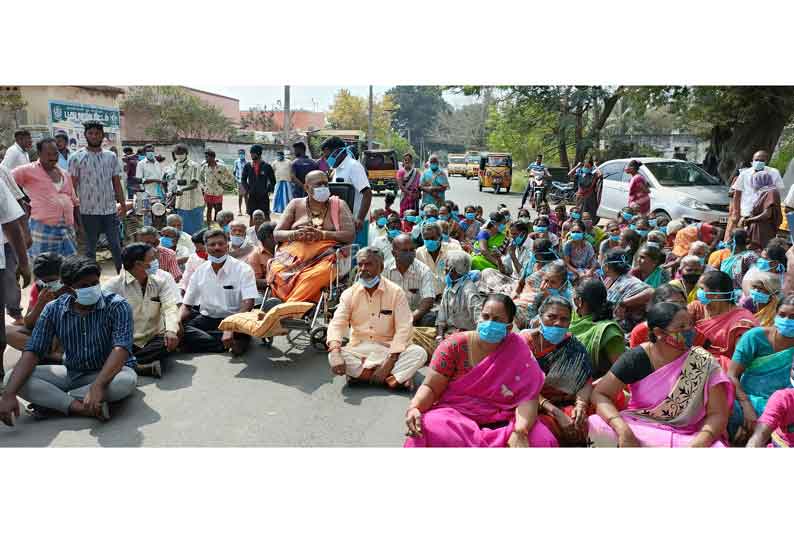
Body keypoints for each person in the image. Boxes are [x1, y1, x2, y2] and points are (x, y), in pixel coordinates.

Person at [404, 293, 558, 448]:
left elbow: (528, 398)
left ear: (509, 327)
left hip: (503, 419)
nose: (489, 323)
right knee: (427, 427)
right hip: (456, 416)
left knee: (543, 440)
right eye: (486, 316)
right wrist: (415, 407)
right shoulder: (453, 346)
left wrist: (520, 431)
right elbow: (431, 387)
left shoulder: (518, 350)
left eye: (497, 320)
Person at [0, 256, 138, 422]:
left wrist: (98, 385)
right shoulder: (53, 308)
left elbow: (121, 348)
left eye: (94, 283)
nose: (92, 288)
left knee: (125, 381)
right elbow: (33, 351)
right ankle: (80, 407)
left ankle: (56, 401)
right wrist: (8, 395)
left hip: (109, 372)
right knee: (10, 379)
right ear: (68, 288)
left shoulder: (117, 305)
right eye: (83, 286)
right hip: (71, 371)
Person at [589, 302, 733, 447]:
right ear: (659, 333)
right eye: (681, 327)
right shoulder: (637, 358)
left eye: (690, 324)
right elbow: (600, 394)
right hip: (641, 427)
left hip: (686, 435)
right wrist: (622, 429)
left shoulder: (702, 361)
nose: (690, 330)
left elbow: (718, 414)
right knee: (596, 424)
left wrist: (699, 443)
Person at [327, 247, 427, 389]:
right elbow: (337, 323)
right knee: (334, 356)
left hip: (389, 348)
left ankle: (363, 376)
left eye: (368, 264)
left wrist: (390, 361)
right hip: (360, 348)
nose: (362, 269)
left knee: (418, 353)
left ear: (381, 267)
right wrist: (335, 350)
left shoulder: (396, 292)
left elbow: (404, 328)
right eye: (360, 264)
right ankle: (394, 378)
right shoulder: (349, 293)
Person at [269, 170, 355, 302]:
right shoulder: (296, 204)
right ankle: (287, 307)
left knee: (315, 276)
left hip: (325, 257)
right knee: (276, 270)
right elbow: (277, 234)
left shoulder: (338, 205)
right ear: (306, 188)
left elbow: (349, 235)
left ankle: (289, 308)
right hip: (293, 256)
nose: (323, 188)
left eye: (326, 184)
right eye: (319, 184)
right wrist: (295, 234)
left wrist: (323, 234)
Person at [521, 296, 593, 446]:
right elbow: (522, 388)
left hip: (567, 401)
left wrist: (580, 405)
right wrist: (556, 412)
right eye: (551, 317)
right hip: (534, 405)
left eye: (564, 319)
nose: (558, 323)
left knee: (592, 421)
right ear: (540, 317)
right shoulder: (524, 344)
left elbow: (585, 379)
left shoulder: (572, 344)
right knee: (541, 432)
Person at [105, 243, 184, 377]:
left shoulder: (160, 282)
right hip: (124, 340)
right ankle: (136, 365)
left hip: (153, 339)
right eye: (153, 259)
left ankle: (122, 364)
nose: (156, 262)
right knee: (112, 349)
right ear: (138, 264)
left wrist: (171, 330)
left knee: (171, 340)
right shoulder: (112, 286)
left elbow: (169, 307)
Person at [727, 296, 794, 444]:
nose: (787, 320)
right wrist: (747, 407)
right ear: (775, 315)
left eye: (793, 317)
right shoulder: (755, 337)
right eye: (782, 315)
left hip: (784, 405)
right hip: (746, 398)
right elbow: (732, 374)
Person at [181, 229, 257, 355]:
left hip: (235, 318)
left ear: (227, 245)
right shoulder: (200, 271)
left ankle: (217, 341)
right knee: (181, 329)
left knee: (243, 329)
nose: (217, 248)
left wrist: (231, 326)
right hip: (207, 318)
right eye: (212, 244)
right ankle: (226, 344)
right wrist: (176, 323)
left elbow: (248, 302)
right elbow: (187, 304)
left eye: (221, 244)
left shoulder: (243, 269)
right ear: (205, 248)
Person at [68, 120, 126, 272]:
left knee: (116, 245)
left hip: (109, 210)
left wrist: (124, 205)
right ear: (85, 135)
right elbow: (72, 188)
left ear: (102, 135)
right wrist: (73, 214)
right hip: (87, 212)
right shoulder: (76, 157)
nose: (94, 136)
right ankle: (91, 281)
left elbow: (117, 183)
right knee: (90, 249)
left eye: (97, 133)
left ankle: (124, 277)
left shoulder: (111, 156)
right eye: (91, 133)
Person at [12, 137, 79, 258]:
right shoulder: (28, 170)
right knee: (43, 267)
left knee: (68, 267)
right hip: (43, 227)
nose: (53, 157)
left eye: (55, 153)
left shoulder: (64, 174)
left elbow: (74, 200)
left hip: (67, 228)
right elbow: (8, 179)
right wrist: (21, 200)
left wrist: (79, 225)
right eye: (48, 154)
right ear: (39, 154)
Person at [690, 270, 758, 371]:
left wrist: (711, 360)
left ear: (716, 294)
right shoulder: (696, 308)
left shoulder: (742, 322)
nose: (698, 292)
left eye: (701, 288)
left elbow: (742, 360)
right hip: (692, 365)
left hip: (723, 373)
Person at [568, 279, 626, 378]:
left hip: (595, 384)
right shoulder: (574, 316)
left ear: (579, 301)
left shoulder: (608, 331)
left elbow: (622, 371)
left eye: (574, 299)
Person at [322, 137, 372, 248]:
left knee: (357, 255)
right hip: (342, 221)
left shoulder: (354, 167)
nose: (326, 159)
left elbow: (367, 193)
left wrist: (360, 218)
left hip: (356, 222)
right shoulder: (337, 169)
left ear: (337, 152)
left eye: (327, 156)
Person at [728, 149, 784, 240]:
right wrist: (736, 212)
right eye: (756, 160)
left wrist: (749, 220)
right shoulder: (745, 173)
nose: (758, 162)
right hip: (746, 213)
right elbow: (737, 193)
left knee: (754, 242)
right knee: (741, 240)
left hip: (761, 220)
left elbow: (768, 213)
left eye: (762, 160)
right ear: (752, 160)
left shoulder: (773, 181)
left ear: (767, 161)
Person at [384, 234, 436, 327]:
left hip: (414, 316)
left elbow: (428, 300)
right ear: (394, 253)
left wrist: (410, 319)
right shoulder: (384, 269)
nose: (409, 254)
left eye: (412, 250)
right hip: (389, 314)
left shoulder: (424, 270)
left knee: (430, 318)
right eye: (404, 251)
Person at [601, 247, 653, 333]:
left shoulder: (629, 281)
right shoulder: (609, 280)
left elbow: (651, 293)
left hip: (626, 330)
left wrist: (624, 303)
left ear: (607, 266)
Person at [436, 250, 485, 339]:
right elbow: (441, 319)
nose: (444, 269)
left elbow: (480, 320)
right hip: (450, 334)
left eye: (447, 266)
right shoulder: (449, 287)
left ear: (454, 270)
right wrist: (439, 337)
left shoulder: (469, 290)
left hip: (464, 336)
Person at [742, 171, 782, 250]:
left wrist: (750, 219)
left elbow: (767, 214)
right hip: (757, 229)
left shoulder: (771, 191)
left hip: (762, 231)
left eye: (755, 181)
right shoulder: (764, 192)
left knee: (758, 252)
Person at [169, 144, 204, 235]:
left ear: (186, 153)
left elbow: (194, 184)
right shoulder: (175, 165)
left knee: (196, 227)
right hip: (181, 201)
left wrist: (182, 189)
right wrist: (171, 191)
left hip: (194, 201)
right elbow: (173, 180)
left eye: (181, 153)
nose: (179, 156)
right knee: (182, 225)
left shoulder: (194, 166)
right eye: (177, 154)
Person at [416, 221, 454, 296]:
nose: (430, 241)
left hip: (449, 295)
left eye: (433, 238)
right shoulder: (419, 253)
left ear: (440, 238)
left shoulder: (452, 249)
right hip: (428, 296)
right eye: (426, 239)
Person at [199, 148, 234, 225]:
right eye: (205, 157)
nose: (206, 159)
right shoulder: (204, 167)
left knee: (218, 210)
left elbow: (230, 177)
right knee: (209, 209)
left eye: (207, 157)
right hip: (208, 191)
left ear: (212, 157)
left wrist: (223, 184)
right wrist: (203, 186)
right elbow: (200, 177)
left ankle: (217, 225)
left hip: (218, 192)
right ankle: (209, 226)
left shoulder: (222, 167)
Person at [241, 144, 275, 223]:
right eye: (251, 153)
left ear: (259, 153)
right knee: (252, 216)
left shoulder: (266, 166)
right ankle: (252, 234)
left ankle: (267, 233)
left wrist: (267, 190)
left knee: (266, 215)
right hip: (252, 196)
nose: (251, 155)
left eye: (253, 153)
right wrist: (248, 189)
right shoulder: (248, 166)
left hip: (263, 196)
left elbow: (273, 181)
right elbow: (243, 179)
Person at [248, 221, 276, 300]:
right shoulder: (255, 256)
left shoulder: (283, 249)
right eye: (278, 234)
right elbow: (255, 282)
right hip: (265, 294)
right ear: (269, 237)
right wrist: (276, 281)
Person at [179, 229, 208, 294]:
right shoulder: (193, 257)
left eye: (200, 249)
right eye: (196, 248)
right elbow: (187, 275)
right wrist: (182, 288)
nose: (197, 250)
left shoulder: (218, 258)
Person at [271, 150, 293, 214]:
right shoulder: (274, 163)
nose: (279, 156)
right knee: (277, 196)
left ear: (283, 155)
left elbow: (292, 171)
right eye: (278, 155)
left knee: (288, 196)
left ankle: (288, 209)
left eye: (280, 155)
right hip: (278, 182)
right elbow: (272, 172)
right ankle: (277, 209)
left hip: (287, 182)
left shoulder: (289, 162)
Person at [233, 149, 247, 214]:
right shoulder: (236, 162)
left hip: (246, 181)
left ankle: (247, 209)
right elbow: (234, 171)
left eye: (242, 154)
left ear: (244, 154)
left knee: (246, 196)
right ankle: (239, 210)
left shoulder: (247, 162)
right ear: (238, 155)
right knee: (240, 196)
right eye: (240, 154)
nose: (241, 155)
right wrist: (235, 181)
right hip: (239, 181)